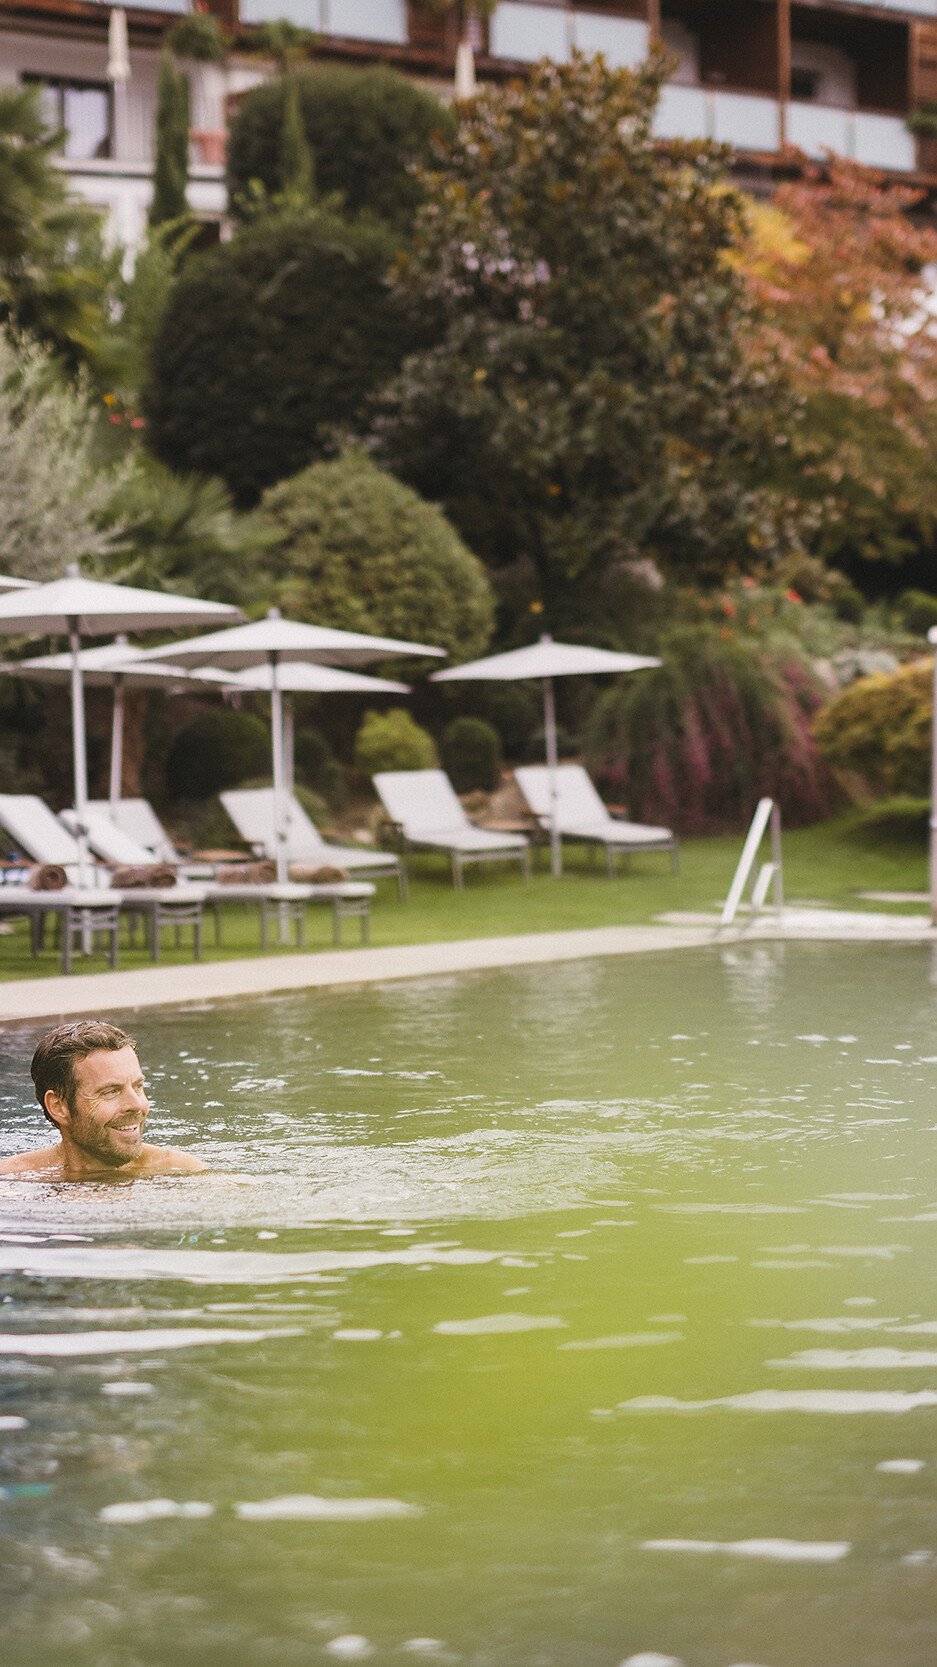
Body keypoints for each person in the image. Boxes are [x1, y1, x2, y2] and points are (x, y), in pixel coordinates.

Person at [0, 1020, 209, 1180]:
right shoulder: (13, 1179)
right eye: (111, 1091)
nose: (136, 1105)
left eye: (138, 1086)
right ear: (59, 1106)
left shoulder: (181, 1173)